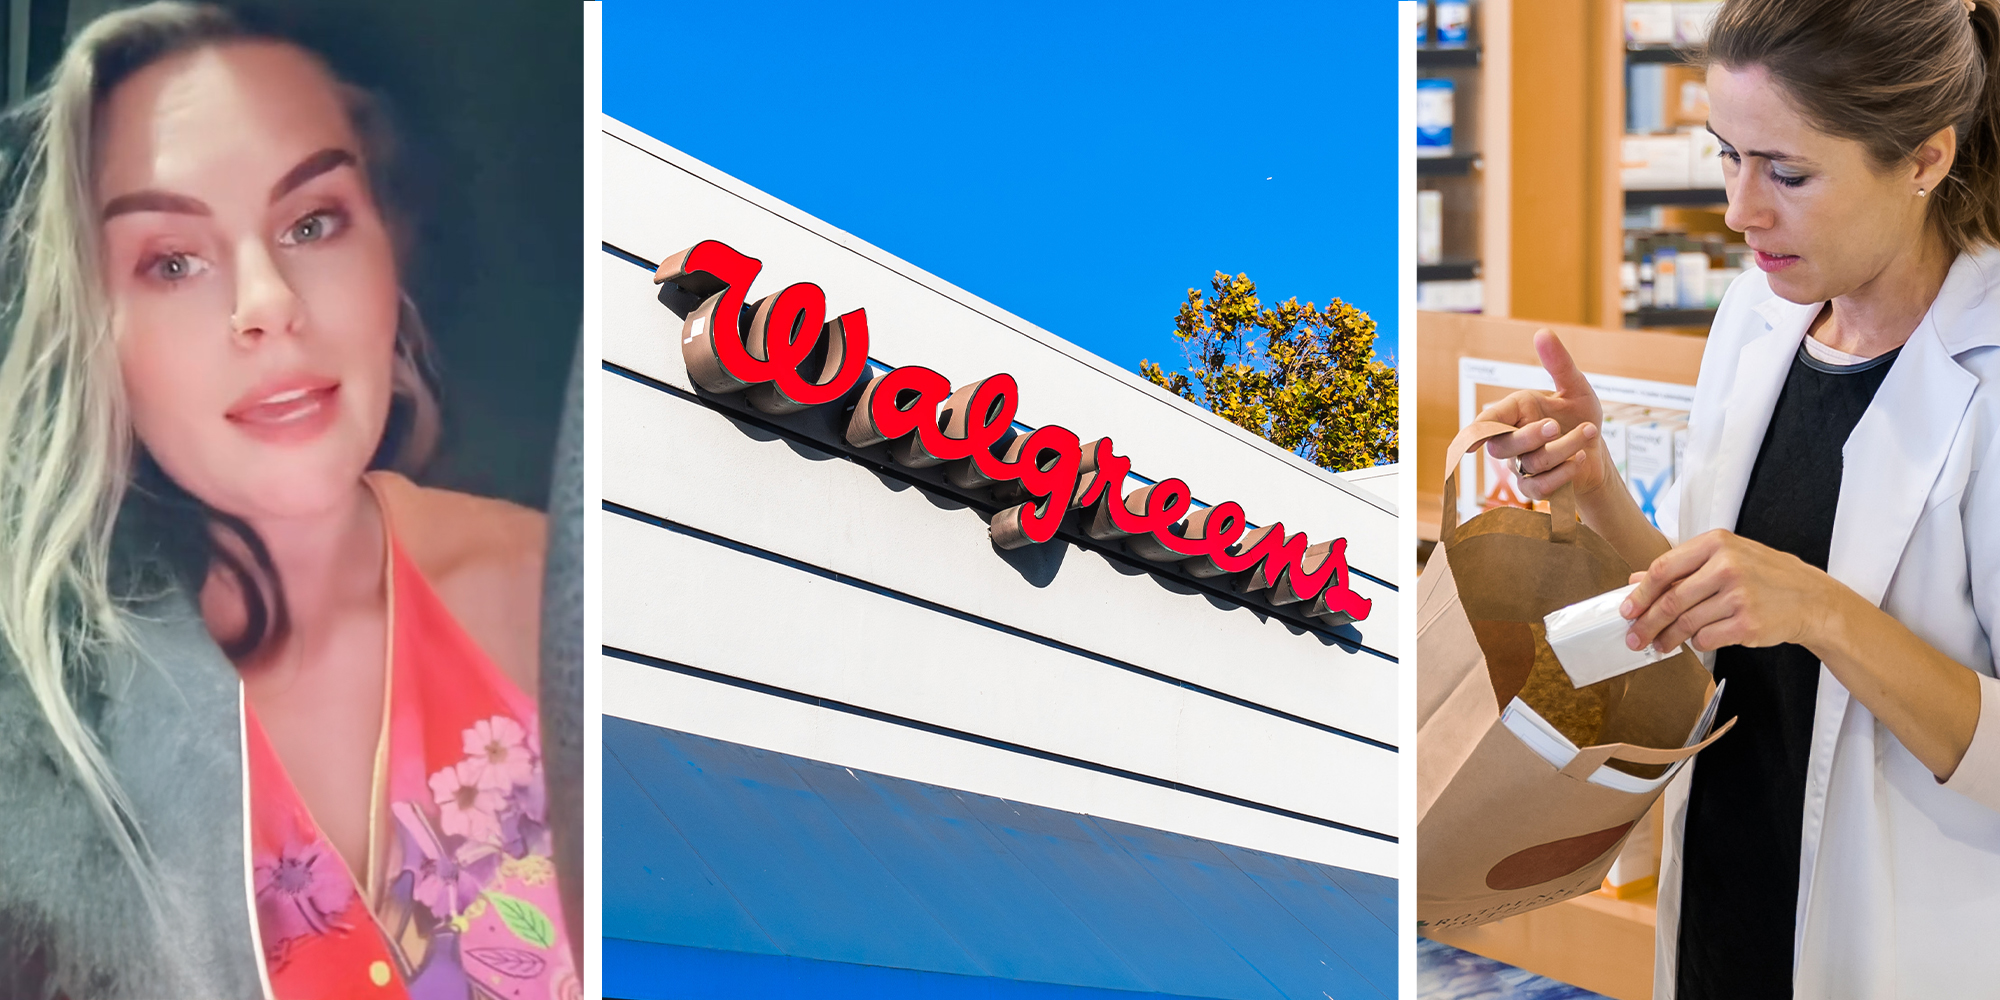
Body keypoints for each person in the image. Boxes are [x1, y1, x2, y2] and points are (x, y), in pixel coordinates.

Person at [0, 3, 576, 998]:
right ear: (98, 335)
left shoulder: (551, 595)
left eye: (312, 221)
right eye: (172, 259)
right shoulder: (44, 726)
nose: (267, 300)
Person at [1477, 0, 2000, 996]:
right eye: (1726, 156)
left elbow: (1794, 606)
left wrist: (1820, 611)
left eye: (1787, 174)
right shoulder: (1759, 312)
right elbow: (1699, 603)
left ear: (1924, 158)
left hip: (1903, 942)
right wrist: (1592, 487)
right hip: (1725, 897)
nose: (1739, 212)